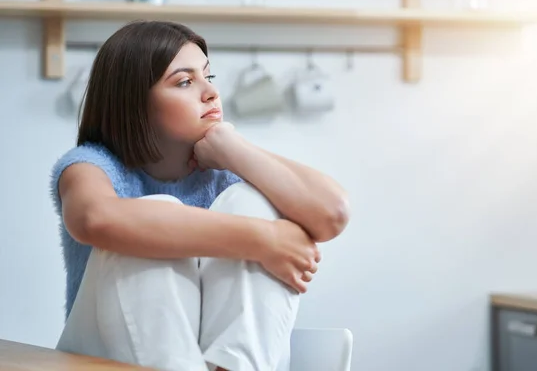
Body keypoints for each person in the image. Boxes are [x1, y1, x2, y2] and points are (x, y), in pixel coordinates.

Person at [49, 20, 350, 371]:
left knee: (250, 200)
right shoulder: (92, 165)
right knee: (154, 215)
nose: (210, 93)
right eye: (185, 81)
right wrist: (264, 239)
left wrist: (234, 148)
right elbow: (94, 219)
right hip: (103, 357)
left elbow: (332, 213)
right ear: (133, 101)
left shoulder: (225, 175)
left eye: (209, 77)